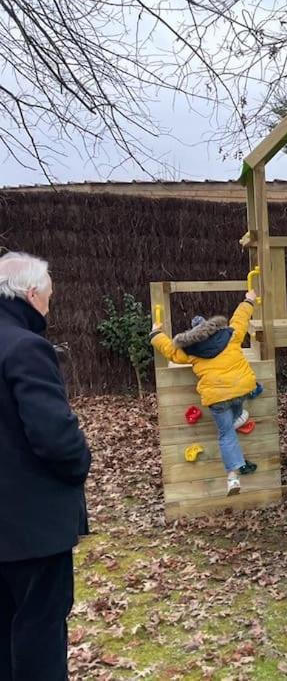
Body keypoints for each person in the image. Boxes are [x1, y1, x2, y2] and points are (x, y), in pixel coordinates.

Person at [0, 251, 92, 680]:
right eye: (49, 298)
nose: (50, 308)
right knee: (39, 631)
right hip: (30, 529)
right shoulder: (26, 347)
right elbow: (55, 437)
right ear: (32, 294)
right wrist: (78, 465)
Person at [150, 292, 260, 495]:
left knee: (226, 434)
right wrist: (249, 300)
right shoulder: (231, 335)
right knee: (238, 408)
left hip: (217, 398)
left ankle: (233, 478)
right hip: (242, 389)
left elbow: (170, 351)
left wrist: (156, 333)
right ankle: (239, 419)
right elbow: (241, 318)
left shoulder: (192, 352)